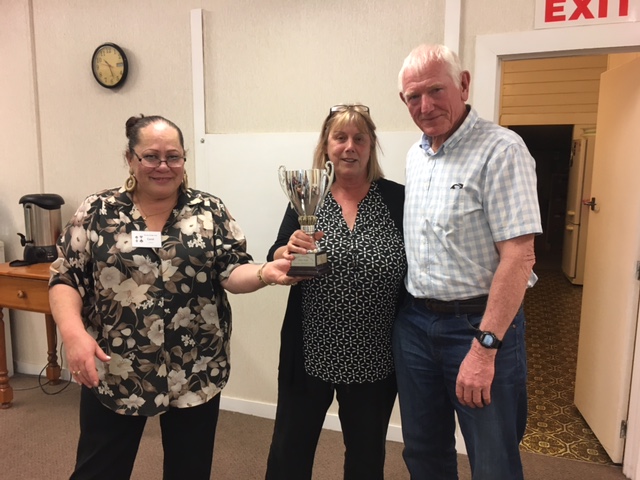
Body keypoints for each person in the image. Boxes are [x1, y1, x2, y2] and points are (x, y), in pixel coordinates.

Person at [48, 114, 295, 480]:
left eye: (173, 156)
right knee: (98, 469)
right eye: (151, 156)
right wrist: (73, 334)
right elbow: (65, 277)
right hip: (115, 367)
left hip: (195, 367)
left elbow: (230, 269)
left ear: (184, 160)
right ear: (130, 159)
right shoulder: (97, 212)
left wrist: (265, 273)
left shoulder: (209, 211)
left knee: (189, 470)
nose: (163, 166)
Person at [393, 44, 542, 479]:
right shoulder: (416, 156)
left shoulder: (502, 150)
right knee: (423, 453)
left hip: (480, 327)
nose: (426, 105)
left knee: (493, 459)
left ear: (463, 83)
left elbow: (519, 256)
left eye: (436, 90)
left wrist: (485, 347)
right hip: (417, 325)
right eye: (412, 97)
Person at [265, 104, 407, 480]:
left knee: (366, 455)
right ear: (326, 146)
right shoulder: (308, 196)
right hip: (310, 347)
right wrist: (289, 248)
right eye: (340, 137)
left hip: (374, 353)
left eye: (359, 138)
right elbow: (276, 253)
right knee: (290, 450)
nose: (349, 147)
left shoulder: (397, 199)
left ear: (370, 146)